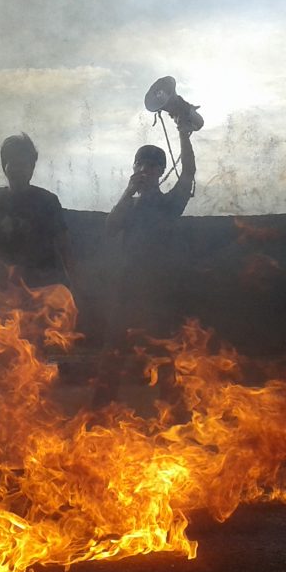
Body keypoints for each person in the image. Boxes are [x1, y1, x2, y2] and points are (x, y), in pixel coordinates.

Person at [91, 117, 197, 407]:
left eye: (152, 166)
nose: (146, 170)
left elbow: (188, 173)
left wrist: (184, 135)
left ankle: (172, 414)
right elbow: (111, 227)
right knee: (112, 352)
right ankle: (100, 412)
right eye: (141, 165)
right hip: (128, 290)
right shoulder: (131, 205)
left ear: (161, 172)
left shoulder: (170, 203)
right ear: (134, 169)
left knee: (164, 354)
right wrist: (127, 192)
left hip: (161, 291)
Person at [0, 134, 73, 292]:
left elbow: (65, 247)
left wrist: (73, 286)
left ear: (32, 167)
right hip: (4, 289)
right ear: (4, 166)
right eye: (13, 163)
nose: (18, 170)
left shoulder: (48, 201)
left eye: (23, 164)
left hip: (44, 289)